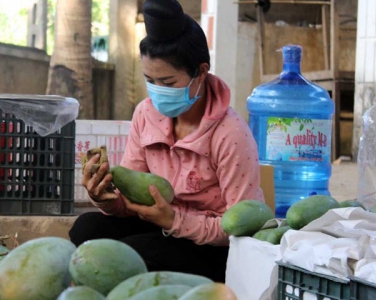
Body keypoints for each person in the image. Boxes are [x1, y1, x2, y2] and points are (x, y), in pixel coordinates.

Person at [69, 0, 264, 283]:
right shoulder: (145, 114)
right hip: (160, 228)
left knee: (135, 255)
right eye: (150, 80)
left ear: (201, 72)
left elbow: (242, 229)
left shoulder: (231, 134)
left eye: (169, 83)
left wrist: (174, 221)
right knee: (86, 230)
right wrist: (105, 198)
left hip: (212, 248)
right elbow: (128, 204)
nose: (158, 92)